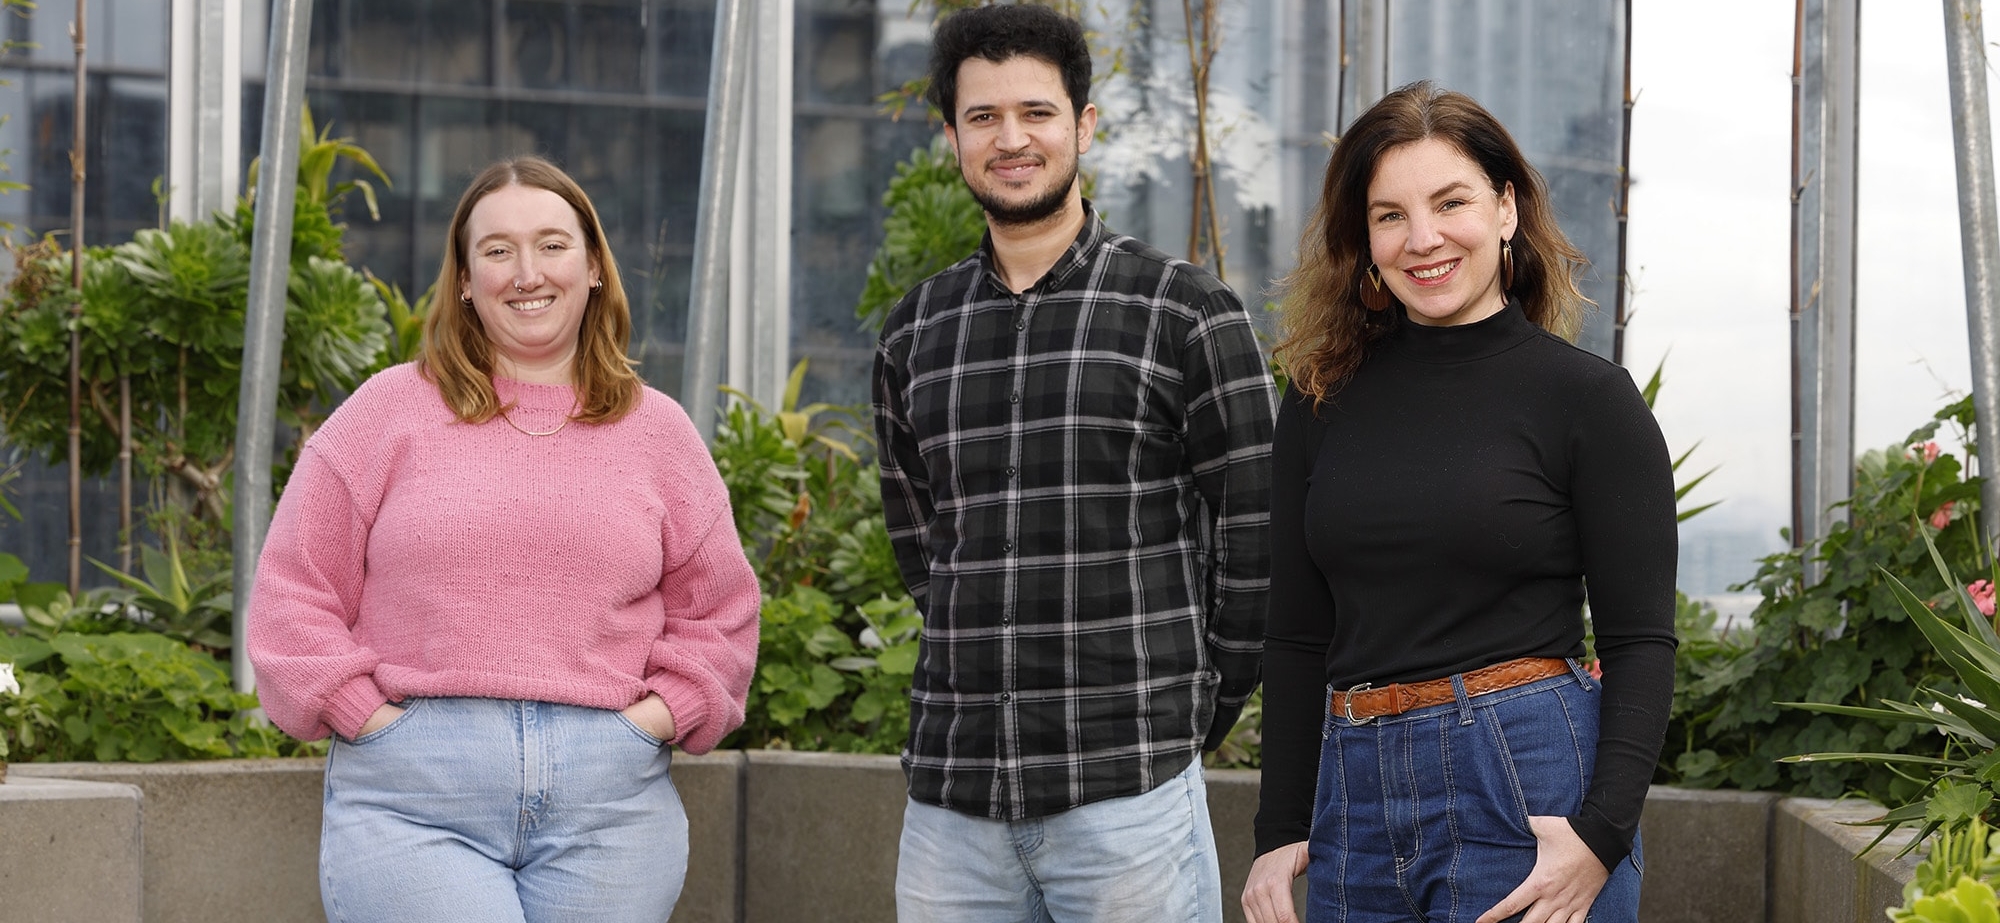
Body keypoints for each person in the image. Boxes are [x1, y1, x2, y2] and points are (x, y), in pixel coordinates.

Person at [247, 156, 760, 923]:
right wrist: (368, 718)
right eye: (497, 250)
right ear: (462, 277)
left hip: (609, 802)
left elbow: (720, 611)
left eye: (552, 245)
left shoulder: (658, 432)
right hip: (416, 793)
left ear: (592, 267)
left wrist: (652, 719)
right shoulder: (388, 411)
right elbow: (294, 590)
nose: (528, 273)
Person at [870, 4, 1277, 921]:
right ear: (952, 137)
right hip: (952, 805)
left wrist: (1193, 713)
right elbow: (922, 549)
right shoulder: (914, 331)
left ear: (1084, 125)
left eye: (1036, 113)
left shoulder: (1187, 313)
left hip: (1128, 795)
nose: (1011, 139)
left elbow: (1257, 541)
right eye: (982, 118)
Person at [1242, 81, 1677, 923]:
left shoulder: (1588, 399)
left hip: (1529, 785)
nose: (1424, 238)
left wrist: (1602, 834)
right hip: (1354, 799)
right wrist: (1278, 826)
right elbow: (1296, 633)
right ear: (1363, 238)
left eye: (1452, 202)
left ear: (1507, 207)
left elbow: (1642, 640)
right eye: (1391, 215)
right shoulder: (1319, 399)